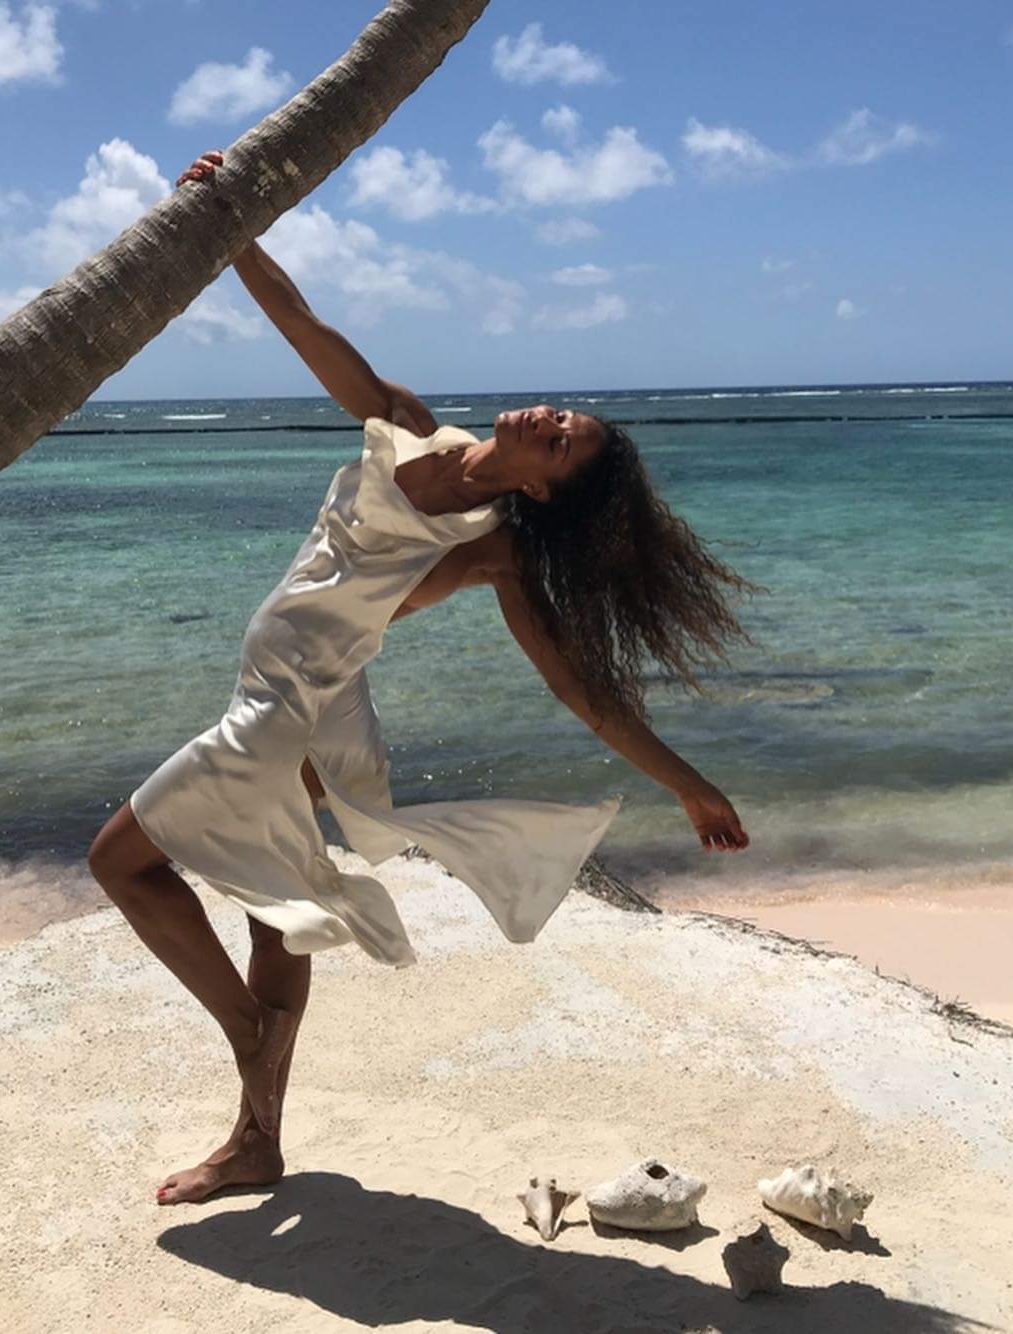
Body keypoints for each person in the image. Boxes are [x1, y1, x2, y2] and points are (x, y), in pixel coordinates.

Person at [88, 152, 754, 1207]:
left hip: (288, 707)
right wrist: (228, 225)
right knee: (279, 906)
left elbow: (580, 691)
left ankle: (250, 1034)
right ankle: (256, 1141)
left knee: (120, 861)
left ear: (546, 490)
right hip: (311, 696)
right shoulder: (407, 422)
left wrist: (687, 783)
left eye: (563, 442)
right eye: (563, 416)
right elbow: (302, 322)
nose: (549, 418)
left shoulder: (495, 546)